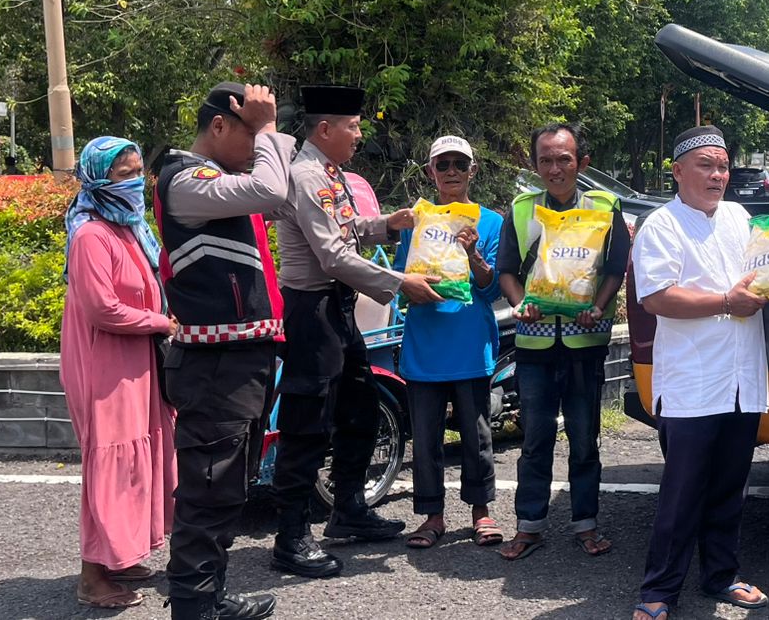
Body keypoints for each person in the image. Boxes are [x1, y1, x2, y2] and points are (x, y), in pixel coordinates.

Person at [630, 126, 769, 619]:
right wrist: (724, 302)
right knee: (682, 493)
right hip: (693, 381)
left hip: (742, 378)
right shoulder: (662, 225)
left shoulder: (740, 217)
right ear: (677, 171)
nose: (718, 175)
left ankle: (720, 576)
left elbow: (766, 272)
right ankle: (659, 590)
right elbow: (655, 297)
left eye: (723, 166)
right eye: (706, 165)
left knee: (730, 488)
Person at [268, 84, 437, 578]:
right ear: (325, 129)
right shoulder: (304, 175)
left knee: (359, 405)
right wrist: (399, 282)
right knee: (306, 423)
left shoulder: (328, 173)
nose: (359, 133)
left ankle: (348, 511)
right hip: (312, 311)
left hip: (337, 308)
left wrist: (389, 223)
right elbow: (332, 255)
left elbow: (348, 230)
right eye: (353, 126)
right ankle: (291, 537)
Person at [154, 83, 292, 620]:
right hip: (214, 368)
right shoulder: (185, 181)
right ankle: (192, 606)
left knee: (229, 486)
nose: (257, 145)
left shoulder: (220, 183)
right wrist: (270, 127)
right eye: (248, 131)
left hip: (238, 361)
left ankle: (209, 594)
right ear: (219, 127)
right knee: (209, 488)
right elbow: (272, 191)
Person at [496, 123, 629, 561]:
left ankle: (585, 524)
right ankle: (529, 525)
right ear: (534, 165)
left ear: (582, 163)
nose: (555, 168)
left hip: (584, 344)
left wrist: (600, 303)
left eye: (564, 159)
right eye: (546, 160)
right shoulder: (521, 210)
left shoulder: (605, 207)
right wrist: (521, 305)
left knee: (585, 437)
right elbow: (509, 272)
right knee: (534, 438)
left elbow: (615, 267)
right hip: (534, 345)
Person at [60, 136, 176, 610]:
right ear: (96, 179)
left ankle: (121, 555)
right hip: (104, 359)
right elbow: (102, 308)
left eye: (136, 172)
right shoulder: (90, 234)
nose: (134, 183)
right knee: (110, 460)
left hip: (135, 358)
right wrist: (160, 322)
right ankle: (92, 575)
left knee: (140, 455)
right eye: (122, 174)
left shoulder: (128, 226)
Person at [393, 135, 505, 550]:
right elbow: (403, 282)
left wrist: (474, 255)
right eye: (444, 164)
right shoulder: (415, 220)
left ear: (473, 171)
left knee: (477, 437)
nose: (452, 171)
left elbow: (491, 288)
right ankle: (431, 516)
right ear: (430, 172)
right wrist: (409, 289)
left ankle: (482, 513)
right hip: (424, 344)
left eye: (460, 163)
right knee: (425, 437)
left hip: (470, 343)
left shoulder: (490, 222)